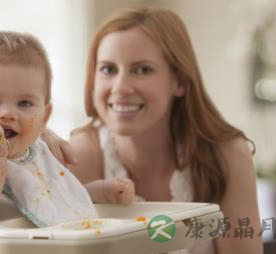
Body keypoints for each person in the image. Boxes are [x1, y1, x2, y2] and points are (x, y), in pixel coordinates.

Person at [47, 6, 263, 254]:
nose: (121, 87)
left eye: (142, 70)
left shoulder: (227, 155)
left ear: (179, 82)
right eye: (108, 69)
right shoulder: (80, 155)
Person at [0, 31, 134, 237]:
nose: (7, 113)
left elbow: (55, 202)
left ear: (44, 116)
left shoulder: (37, 155)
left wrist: (99, 192)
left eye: (24, 103)